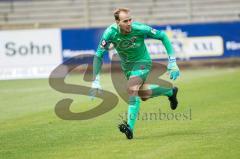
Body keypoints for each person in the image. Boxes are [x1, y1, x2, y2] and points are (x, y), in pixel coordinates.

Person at [89, 8, 180, 139]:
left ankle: (129, 127)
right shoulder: (110, 33)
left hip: (143, 62)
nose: (129, 23)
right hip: (128, 68)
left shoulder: (140, 28)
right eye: (125, 21)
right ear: (117, 22)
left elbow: (163, 36)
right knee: (144, 95)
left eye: (130, 19)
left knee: (132, 88)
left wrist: (172, 61)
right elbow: (98, 55)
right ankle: (170, 92)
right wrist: (95, 80)